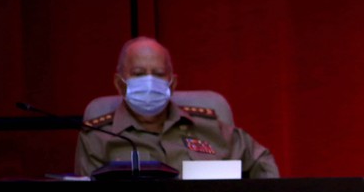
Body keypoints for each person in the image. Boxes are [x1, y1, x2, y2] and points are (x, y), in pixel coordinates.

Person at [74, 36, 279, 179]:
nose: (149, 80)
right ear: (119, 83)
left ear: (172, 83)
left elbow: (261, 160)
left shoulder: (209, 128)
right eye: (138, 73)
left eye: (158, 73)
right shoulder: (98, 137)